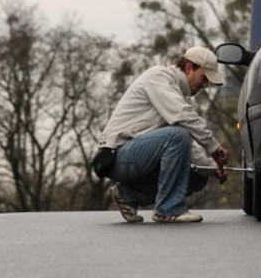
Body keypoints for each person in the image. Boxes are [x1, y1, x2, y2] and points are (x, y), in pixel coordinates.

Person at [96, 46, 230, 223]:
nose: (206, 84)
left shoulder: (179, 96)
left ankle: (128, 195)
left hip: (140, 157)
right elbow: (182, 120)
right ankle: (168, 209)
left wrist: (213, 168)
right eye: (204, 77)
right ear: (189, 67)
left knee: (198, 175)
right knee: (178, 135)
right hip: (118, 156)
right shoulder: (159, 77)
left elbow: (187, 146)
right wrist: (215, 148)